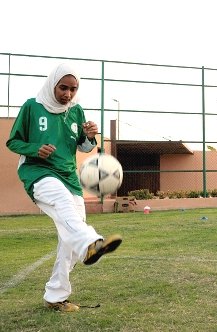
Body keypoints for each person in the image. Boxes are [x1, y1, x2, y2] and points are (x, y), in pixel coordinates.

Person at [5, 63, 123, 312]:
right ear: (52, 85)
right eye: (63, 88)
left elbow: (83, 147)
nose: (67, 94)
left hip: (69, 177)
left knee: (69, 236)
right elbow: (13, 141)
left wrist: (91, 136)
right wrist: (34, 149)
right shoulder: (32, 107)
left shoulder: (76, 111)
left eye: (73, 89)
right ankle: (92, 243)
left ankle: (55, 296)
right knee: (63, 204)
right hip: (38, 173)